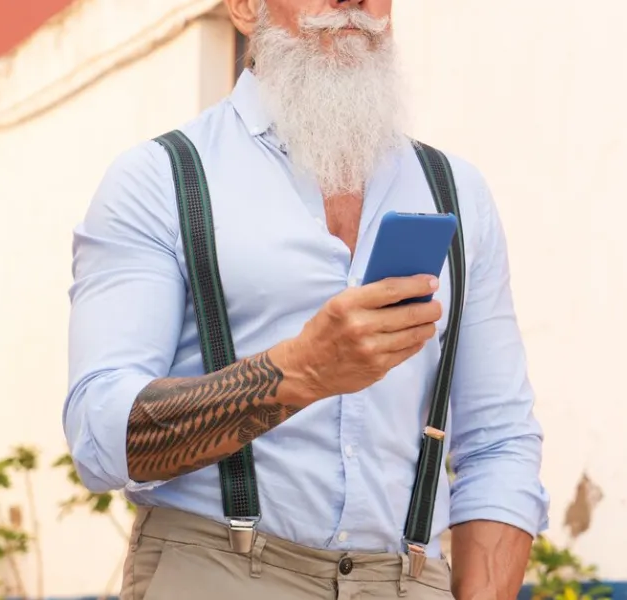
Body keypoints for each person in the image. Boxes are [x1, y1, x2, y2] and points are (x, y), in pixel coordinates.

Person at [62, 0, 549, 598]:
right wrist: (300, 373)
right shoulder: (162, 179)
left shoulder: (456, 190)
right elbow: (100, 435)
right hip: (217, 570)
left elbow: (499, 438)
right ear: (244, 8)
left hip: (406, 578)